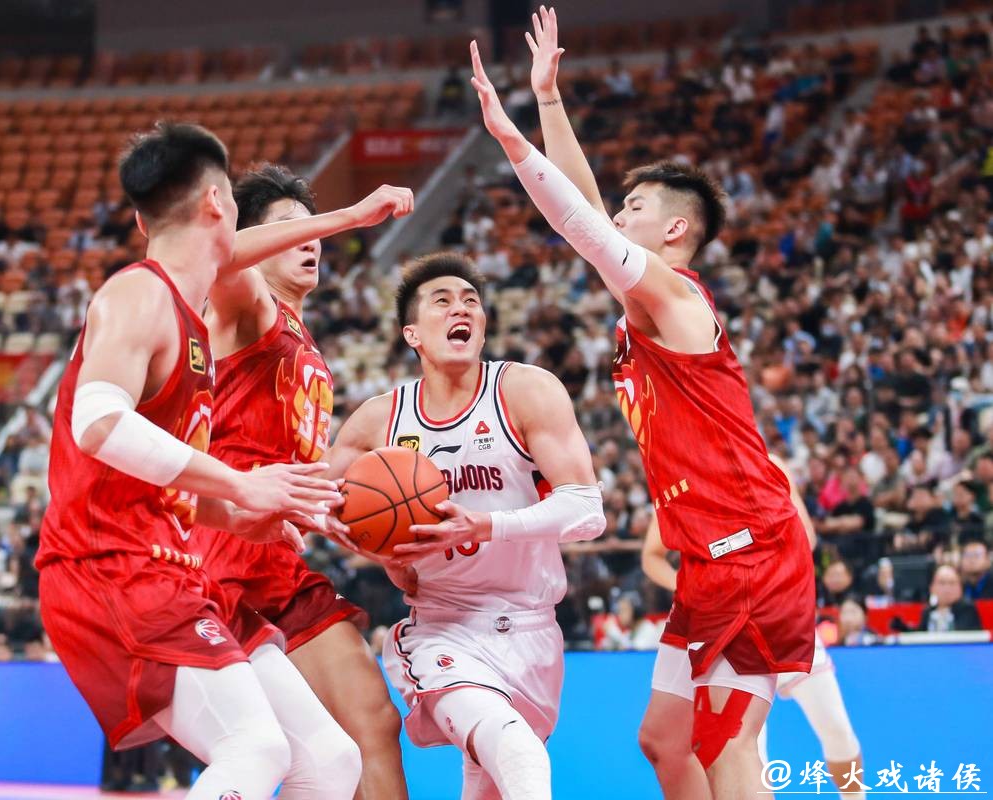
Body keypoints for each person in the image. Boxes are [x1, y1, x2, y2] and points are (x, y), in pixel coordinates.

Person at [471, 10, 815, 797]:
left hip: (748, 550)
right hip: (708, 556)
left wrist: (514, 139)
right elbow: (588, 218)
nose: (616, 215)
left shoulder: (677, 298)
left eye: (633, 207)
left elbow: (579, 223)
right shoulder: (644, 305)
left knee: (725, 746)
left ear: (675, 228)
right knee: (663, 741)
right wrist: (548, 100)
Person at [37, 123, 408, 799]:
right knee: (255, 748)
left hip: (176, 560)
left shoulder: (187, 318)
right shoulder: (140, 293)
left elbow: (162, 481)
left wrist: (243, 512)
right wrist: (241, 484)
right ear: (218, 202)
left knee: (331, 760)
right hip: (113, 564)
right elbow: (97, 422)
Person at [326, 252, 604, 800]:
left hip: (532, 627)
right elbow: (315, 504)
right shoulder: (381, 418)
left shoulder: (525, 390)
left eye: (471, 301)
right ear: (412, 334)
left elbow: (586, 510)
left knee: (492, 783)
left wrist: (484, 525)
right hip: (442, 627)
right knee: (517, 752)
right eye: (443, 301)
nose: (462, 309)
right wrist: (381, 555)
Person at [200, 163, 412, 799]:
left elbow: (293, 472)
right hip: (221, 548)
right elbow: (221, 253)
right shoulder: (246, 305)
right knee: (276, 753)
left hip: (278, 556)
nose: (310, 239)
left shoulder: (300, 333)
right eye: (290, 228)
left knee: (369, 725)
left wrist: (356, 530)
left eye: (313, 229)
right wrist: (350, 216)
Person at [644, 454, 865, 800]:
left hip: (780, 614)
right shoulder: (681, 476)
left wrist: (755, 560)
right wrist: (692, 589)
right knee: (741, 748)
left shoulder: (767, 463)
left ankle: (856, 796)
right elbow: (651, 555)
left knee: (836, 729)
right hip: (722, 625)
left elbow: (805, 536)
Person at [920, 564, 984, 632]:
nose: (947, 588)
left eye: (952, 583)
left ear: (960, 587)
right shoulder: (928, 612)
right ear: (931, 587)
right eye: (942, 583)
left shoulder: (968, 610)